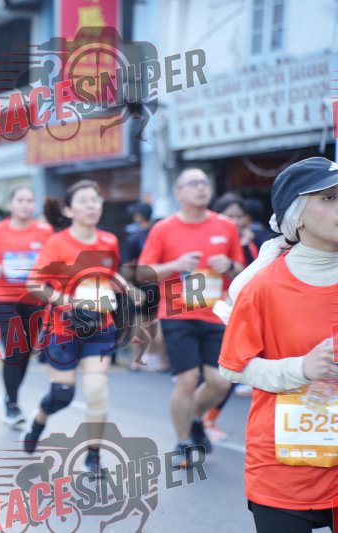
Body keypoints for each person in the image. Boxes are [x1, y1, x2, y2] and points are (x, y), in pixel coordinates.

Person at [218, 157, 338, 533]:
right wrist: (300, 369)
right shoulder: (263, 286)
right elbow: (233, 366)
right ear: (297, 216)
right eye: (329, 198)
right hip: (282, 466)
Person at [137, 168, 246, 468]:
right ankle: (183, 442)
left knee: (220, 382)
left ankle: (194, 418)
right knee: (186, 380)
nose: (201, 188)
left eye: (204, 182)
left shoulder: (226, 226)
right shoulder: (163, 229)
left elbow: (242, 270)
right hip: (178, 313)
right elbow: (143, 272)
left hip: (215, 314)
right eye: (193, 183)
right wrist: (175, 264)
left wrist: (229, 265)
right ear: (179, 192)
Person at [21, 180, 122, 475]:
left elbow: (109, 278)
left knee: (96, 389)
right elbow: (34, 284)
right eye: (84, 200)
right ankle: (39, 418)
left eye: (96, 199)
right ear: (68, 210)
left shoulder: (109, 241)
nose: (92, 205)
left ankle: (93, 456)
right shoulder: (57, 243)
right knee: (62, 394)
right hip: (63, 328)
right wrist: (67, 300)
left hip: (100, 327)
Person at [0, 187, 53, 427]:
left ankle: (9, 397)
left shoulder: (45, 231)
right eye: (20, 200)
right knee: (14, 348)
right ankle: (12, 404)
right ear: (11, 205)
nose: (25, 204)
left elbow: (52, 259)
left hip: (35, 298)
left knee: (26, 351)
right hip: (2, 296)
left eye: (30, 200)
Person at [203, 193, 262, 440]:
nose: (235, 221)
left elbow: (259, 273)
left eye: (239, 216)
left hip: (243, 311)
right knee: (215, 373)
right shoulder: (211, 240)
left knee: (231, 370)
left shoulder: (254, 241)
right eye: (230, 216)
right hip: (210, 312)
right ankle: (201, 420)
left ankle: (208, 419)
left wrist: (247, 246)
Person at [121, 201, 167, 372]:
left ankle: (136, 360)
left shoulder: (134, 237)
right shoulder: (160, 234)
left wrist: (128, 285)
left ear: (139, 216)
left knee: (139, 322)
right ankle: (162, 361)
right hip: (161, 283)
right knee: (159, 321)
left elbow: (127, 267)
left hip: (141, 285)